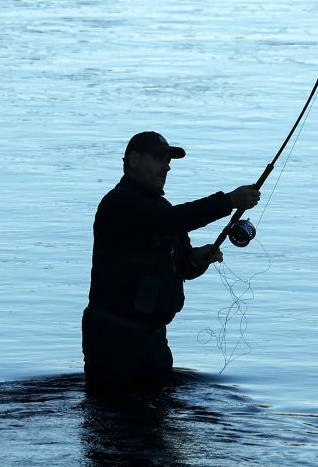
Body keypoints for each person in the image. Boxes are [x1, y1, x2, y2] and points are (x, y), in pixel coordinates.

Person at [82, 130, 261, 394]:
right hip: (113, 338)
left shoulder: (162, 209)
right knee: (112, 417)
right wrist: (229, 201)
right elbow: (170, 221)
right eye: (158, 159)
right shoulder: (118, 203)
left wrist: (197, 260)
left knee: (155, 417)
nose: (166, 167)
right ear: (133, 160)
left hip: (153, 339)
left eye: (168, 161)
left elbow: (183, 266)